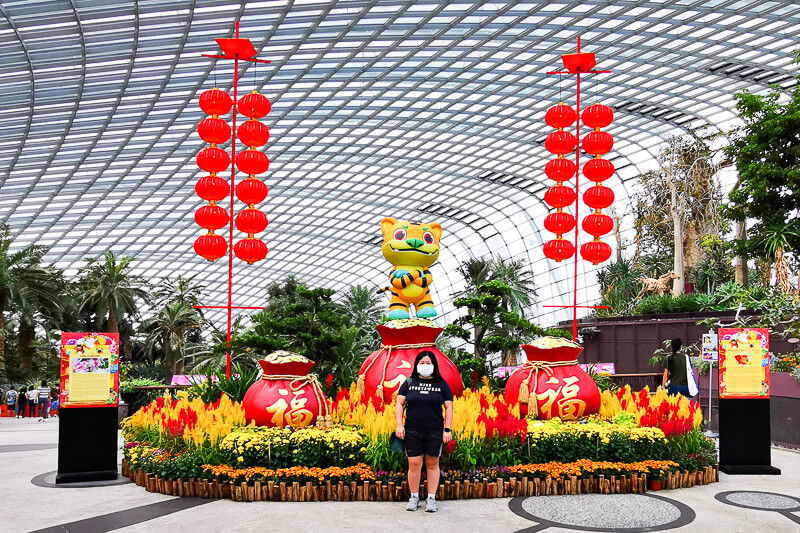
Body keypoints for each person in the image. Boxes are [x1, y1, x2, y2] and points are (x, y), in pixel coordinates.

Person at [395, 350, 453, 513]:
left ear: (434, 365)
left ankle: (431, 499)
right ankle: (414, 497)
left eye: (428, 363)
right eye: (422, 363)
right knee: (414, 464)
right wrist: (400, 425)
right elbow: (399, 404)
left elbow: (449, 407)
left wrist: (447, 429)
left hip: (434, 431)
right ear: (416, 365)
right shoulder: (409, 382)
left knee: (433, 464)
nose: (425, 366)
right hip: (412, 430)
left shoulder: (441, 384)